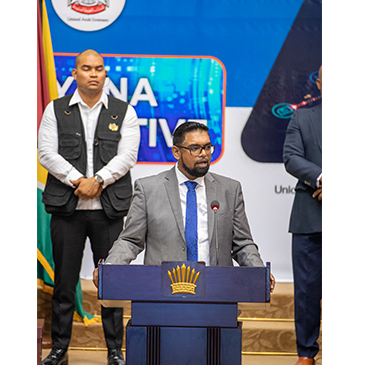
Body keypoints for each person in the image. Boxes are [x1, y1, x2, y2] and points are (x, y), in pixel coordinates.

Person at [38, 49, 140, 365]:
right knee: (64, 283)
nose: (93, 74)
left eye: (98, 69)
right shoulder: (56, 110)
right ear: (75, 73)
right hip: (67, 210)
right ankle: (59, 348)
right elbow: (46, 153)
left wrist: (97, 180)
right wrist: (77, 180)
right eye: (86, 68)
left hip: (108, 211)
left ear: (105, 73)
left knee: (111, 282)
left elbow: (128, 155)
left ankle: (115, 350)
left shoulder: (124, 111)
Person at [94, 121, 275, 292]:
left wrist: (259, 273)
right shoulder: (148, 189)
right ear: (176, 152)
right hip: (162, 291)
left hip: (217, 290)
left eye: (207, 147)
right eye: (195, 148)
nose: (204, 154)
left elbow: (242, 244)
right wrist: (109, 268)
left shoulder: (229, 189)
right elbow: (130, 240)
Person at [282, 65, 322, 365]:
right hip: (311, 215)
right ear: (319, 83)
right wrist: (323, 179)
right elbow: (292, 158)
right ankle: (306, 353)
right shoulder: (302, 117)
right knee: (307, 291)